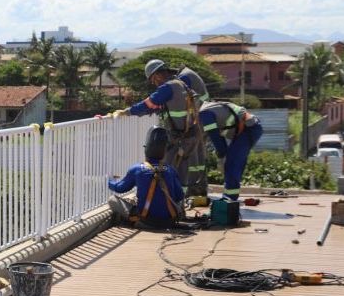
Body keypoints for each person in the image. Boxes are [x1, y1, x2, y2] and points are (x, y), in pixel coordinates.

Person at [121, 59, 207, 197]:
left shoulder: (168, 87)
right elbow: (159, 106)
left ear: (157, 75)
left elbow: (148, 104)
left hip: (179, 137)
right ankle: (178, 202)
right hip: (189, 135)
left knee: (167, 169)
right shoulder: (180, 84)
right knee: (181, 171)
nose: (153, 83)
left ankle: (169, 201)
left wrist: (127, 112)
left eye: (152, 79)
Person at [107, 126, 185, 228]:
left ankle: (135, 220)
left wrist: (109, 181)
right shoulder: (170, 170)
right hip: (169, 221)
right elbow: (180, 195)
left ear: (146, 149)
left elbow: (119, 188)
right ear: (164, 151)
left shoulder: (137, 169)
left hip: (146, 221)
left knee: (112, 199)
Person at [199, 100, 263, 200]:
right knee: (232, 163)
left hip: (248, 128)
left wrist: (222, 156)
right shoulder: (209, 108)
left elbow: (215, 136)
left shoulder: (204, 114)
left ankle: (229, 198)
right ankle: (230, 196)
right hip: (249, 127)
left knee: (232, 163)